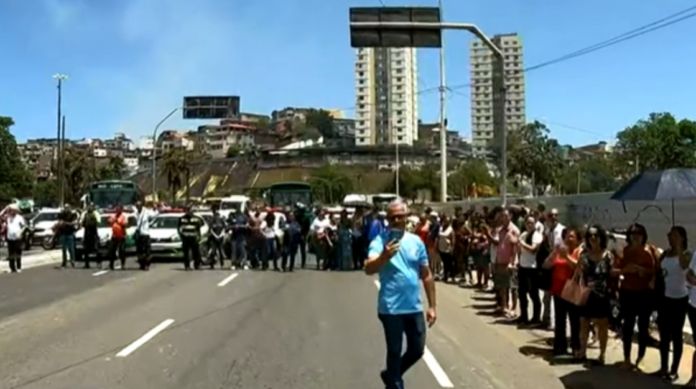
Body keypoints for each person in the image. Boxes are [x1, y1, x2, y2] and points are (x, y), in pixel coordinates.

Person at [365, 200, 436, 389]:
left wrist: (432, 307)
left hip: (414, 306)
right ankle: (396, 383)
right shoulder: (380, 241)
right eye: (392, 217)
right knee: (394, 351)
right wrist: (383, 257)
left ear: (406, 217)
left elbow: (426, 275)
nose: (396, 220)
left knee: (417, 349)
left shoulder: (416, 242)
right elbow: (368, 268)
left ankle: (391, 374)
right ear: (387, 219)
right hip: (391, 308)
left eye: (399, 216)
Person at [611, 223, 658, 370]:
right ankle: (627, 358)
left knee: (643, 327)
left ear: (644, 235)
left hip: (645, 293)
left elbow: (657, 272)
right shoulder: (624, 251)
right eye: (632, 233)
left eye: (639, 233)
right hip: (628, 292)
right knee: (628, 326)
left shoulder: (651, 250)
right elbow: (614, 271)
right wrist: (625, 270)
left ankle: (640, 358)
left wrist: (642, 271)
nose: (635, 236)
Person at [655, 226, 690, 381]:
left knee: (676, 335)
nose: (671, 237)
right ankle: (663, 367)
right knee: (664, 334)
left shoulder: (686, 255)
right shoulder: (665, 254)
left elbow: (684, 267)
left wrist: (679, 248)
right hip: (665, 298)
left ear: (682, 237)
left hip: (680, 299)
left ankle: (674, 370)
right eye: (670, 235)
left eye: (675, 235)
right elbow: (659, 270)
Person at [577, 225, 613, 365]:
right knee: (584, 323)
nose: (593, 238)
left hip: (602, 295)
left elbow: (611, 275)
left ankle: (602, 354)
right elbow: (579, 274)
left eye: (596, 235)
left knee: (602, 325)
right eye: (590, 235)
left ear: (601, 237)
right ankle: (582, 351)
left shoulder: (608, 255)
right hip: (586, 293)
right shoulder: (583, 255)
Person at [543, 227, 581, 358]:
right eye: (567, 237)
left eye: (572, 236)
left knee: (575, 321)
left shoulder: (578, 251)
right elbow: (546, 265)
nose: (569, 239)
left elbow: (578, 267)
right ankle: (560, 347)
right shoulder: (559, 251)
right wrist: (554, 253)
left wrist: (567, 257)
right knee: (560, 321)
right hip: (558, 290)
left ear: (577, 239)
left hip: (572, 290)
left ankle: (576, 347)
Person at [488, 208, 520, 317]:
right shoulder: (501, 230)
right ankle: (504, 306)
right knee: (502, 286)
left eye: (506, 216)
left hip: (510, 263)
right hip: (500, 262)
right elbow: (498, 244)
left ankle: (514, 308)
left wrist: (512, 263)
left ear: (510, 216)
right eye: (502, 216)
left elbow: (515, 248)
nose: (504, 218)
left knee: (513, 287)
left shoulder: (514, 230)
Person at [517, 215, 543, 325]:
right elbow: (519, 249)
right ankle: (524, 316)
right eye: (528, 222)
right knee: (522, 293)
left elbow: (533, 249)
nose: (530, 225)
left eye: (532, 223)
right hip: (523, 266)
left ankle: (536, 317)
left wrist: (522, 243)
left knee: (533, 293)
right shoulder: (523, 234)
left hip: (532, 268)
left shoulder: (537, 235)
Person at [178, 206, 205, 270]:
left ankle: (197, 265)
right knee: (186, 253)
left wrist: (199, 236)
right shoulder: (182, 218)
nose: (189, 212)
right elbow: (179, 228)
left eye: (190, 210)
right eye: (187, 210)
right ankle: (187, 266)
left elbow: (201, 226)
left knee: (196, 252)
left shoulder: (197, 218)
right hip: (185, 238)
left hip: (194, 237)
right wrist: (181, 236)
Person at [135, 201, 157, 271]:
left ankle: (147, 264)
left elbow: (154, 215)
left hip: (145, 234)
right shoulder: (136, 212)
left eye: (139, 206)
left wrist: (155, 209)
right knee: (139, 251)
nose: (138, 207)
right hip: (139, 234)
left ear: (141, 206)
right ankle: (142, 264)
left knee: (147, 251)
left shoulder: (146, 212)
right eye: (137, 206)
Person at [5, 205, 26, 273]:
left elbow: (24, 227)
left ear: (16, 211)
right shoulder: (8, 217)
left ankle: (19, 267)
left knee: (18, 253)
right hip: (10, 237)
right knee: (11, 254)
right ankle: (12, 268)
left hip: (17, 238)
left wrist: (20, 234)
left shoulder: (19, 218)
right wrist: (6, 208)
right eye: (11, 210)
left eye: (13, 210)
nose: (12, 212)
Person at [107, 206, 128, 270]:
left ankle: (123, 264)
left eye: (119, 210)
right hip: (114, 236)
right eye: (117, 210)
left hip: (121, 236)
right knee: (111, 250)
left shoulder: (123, 217)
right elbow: (109, 221)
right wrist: (111, 220)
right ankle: (111, 264)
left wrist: (117, 221)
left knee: (122, 250)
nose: (117, 211)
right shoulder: (114, 216)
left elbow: (125, 224)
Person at [81, 204, 101, 269]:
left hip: (93, 233)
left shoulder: (95, 214)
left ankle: (99, 263)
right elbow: (83, 223)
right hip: (87, 233)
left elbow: (97, 222)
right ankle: (87, 264)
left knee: (96, 249)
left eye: (91, 207)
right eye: (88, 207)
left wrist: (91, 224)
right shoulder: (85, 215)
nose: (89, 208)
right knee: (86, 250)